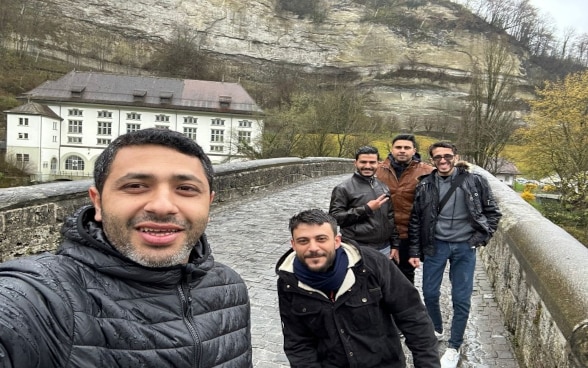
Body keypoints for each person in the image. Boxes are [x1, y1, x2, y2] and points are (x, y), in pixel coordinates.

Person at [0, 128, 252, 367]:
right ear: (98, 202)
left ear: (208, 203)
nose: (162, 206)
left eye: (186, 189)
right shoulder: (43, 296)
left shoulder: (231, 288)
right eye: (135, 186)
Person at [276, 209, 441, 368]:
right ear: (293, 244)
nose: (313, 248)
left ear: (336, 241)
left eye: (321, 239)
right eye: (303, 241)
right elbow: (298, 342)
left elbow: (413, 317)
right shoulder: (288, 283)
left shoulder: (372, 264)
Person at [408, 141, 502, 368]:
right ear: (431, 160)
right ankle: (436, 328)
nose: (442, 160)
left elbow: (493, 213)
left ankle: (454, 346)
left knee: (461, 299)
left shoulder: (475, 181)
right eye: (437, 157)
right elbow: (416, 220)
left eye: (447, 156)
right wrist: (414, 250)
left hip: (464, 247)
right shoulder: (425, 185)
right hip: (436, 246)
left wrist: (479, 239)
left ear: (456, 156)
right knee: (429, 293)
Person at [376, 134, 434, 284]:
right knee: (380, 274)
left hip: (411, 234)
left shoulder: (428, 172)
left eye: (407, 148)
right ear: (392, 149)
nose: (402, 151)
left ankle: (406, 305)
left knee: (405, 276)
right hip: (384, 233)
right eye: (398, 147)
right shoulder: (378, 170)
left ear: (414, 150)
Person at [328, 145, 399, 257]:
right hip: (357, 248)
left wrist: (395, 245)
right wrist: (366, 209)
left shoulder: (383, 187)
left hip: (384, 248)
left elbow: (390, 218)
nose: (367, 166)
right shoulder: (343, 188)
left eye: (372, 162)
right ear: (355, 163)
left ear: (378, 163)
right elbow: (334, 218)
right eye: (363, 162)